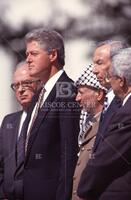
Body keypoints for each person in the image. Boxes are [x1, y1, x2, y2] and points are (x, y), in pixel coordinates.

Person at [22, 28, 80, 200]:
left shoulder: (67, 91)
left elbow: (68, 152)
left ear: (53, 55)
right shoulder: (39, 94)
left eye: (33, 53)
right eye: (27, 54)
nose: (28, 59)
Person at [77, 47, 131, 200]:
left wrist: (84, 188)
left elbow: (106, 159)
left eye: (112, 76)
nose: (108, 79)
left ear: (121, 80)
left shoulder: (126, 112)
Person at [0, 62, 41, 199]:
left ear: (39, 83)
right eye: (16, 85)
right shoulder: (8, 121)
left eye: (26, 83)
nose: (20, 90)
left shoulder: (47, 119)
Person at [72, 64, 106, 200]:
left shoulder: (106, 125)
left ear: (99, 94)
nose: (77, 98)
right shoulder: (88, 124)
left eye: (81, 92)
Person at [91, 40, 128, 152]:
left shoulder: (125, 101)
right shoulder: (109, 99)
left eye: (100, 63)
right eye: (94, 63)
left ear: (118, 63)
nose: (94, 70)